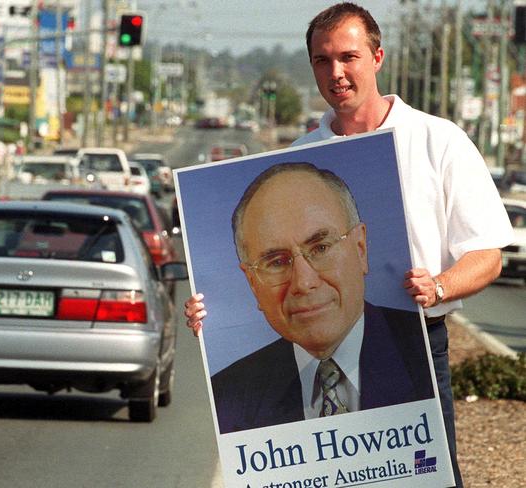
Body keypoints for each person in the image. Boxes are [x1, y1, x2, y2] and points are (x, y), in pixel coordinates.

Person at [184, 3, 514, 488]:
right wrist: (207, 315)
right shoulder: (296, 158)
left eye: (348, 57)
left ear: (377, 57)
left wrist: (439, 287)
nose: (336, 72)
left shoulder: (438, 141)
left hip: (416, 350)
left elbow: (488, 254)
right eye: (322, 60)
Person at [211, 162, 433, 434]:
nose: (303, 283)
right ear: (252, 284)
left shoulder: (424, 357)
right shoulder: (229, 396)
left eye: (320, 248)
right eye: (277, 262)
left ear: (360, 249)